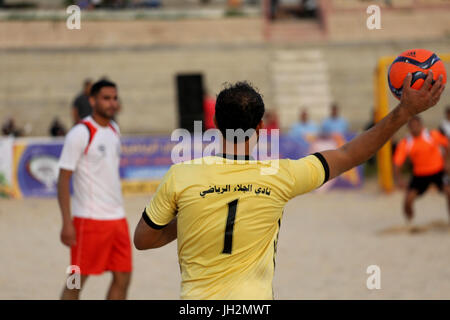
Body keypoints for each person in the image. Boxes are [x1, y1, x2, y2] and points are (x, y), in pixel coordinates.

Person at [134, 72, 444, 300]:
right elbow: (351, 153)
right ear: (260, 127)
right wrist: (404, 111)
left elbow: (144, 240)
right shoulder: (279, 174)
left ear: (214, 122)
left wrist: (193, 216)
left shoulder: (182, 175)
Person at [57, 80, 132, 300]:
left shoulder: (114, 129)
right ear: (92, 100)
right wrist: (66, 222)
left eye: (114, 98)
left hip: (117, 219)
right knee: (76, 280)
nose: (112, 103)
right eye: (106, 98)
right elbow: (63, 179)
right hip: (88, 220)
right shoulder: (80, 133)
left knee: (123, 278)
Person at [393, 116, 450, 223]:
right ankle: (410, 221)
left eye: (416, 125)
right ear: (408, 128)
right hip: (419, 175)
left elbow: (447, 145)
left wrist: (447, 162)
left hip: (437, 171)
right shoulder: (406, 142)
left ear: (421, 125)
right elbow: (397, 163)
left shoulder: (432, 135)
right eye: (411, 126)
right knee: (408, 200)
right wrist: (399, 180)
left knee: (449, 192)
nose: (414, 128)